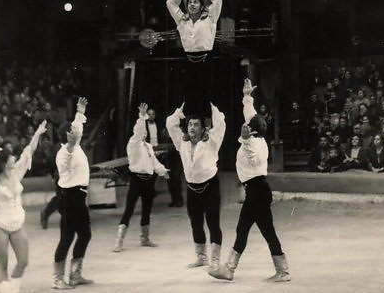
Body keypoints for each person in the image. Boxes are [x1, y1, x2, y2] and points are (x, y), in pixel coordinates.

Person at [211, 79, 290, 283]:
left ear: (251, 131)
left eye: (247, 126)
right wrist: (247, 97)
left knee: (244, 228)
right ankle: (282, 271)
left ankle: (230, 269)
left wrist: (245, 142)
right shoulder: (258, 136)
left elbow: (253, 158)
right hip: (257, 191)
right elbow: (250, 115)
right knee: (263, 230)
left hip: (257, 191)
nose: (244, 124)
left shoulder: (255, 145)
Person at [0, 120, 47, 293]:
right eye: (10, 157)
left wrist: (38, 134)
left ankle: (13, 290)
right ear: (3, 163)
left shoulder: (16, 172)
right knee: (3, 265)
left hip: (17, 224)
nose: (13, 157)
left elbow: (27, 153)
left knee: (23, 261)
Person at [166, 100, 226, 274]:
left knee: (213, 223)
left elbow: (220, 124)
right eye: (190, 124)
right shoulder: (181, 143)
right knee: (195, 223)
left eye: (196, 124)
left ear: (203, 128)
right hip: (192, 188)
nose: (192, 127)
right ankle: (201, 257)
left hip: (210, 186)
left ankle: (214, 261)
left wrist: (214, 108)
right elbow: (170, 124)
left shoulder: (212, 142)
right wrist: (179, 112)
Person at [113, 103, 169, 253]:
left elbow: (154, 162)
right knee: (129, 210)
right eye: (142, 130)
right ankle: (119, 241)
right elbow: (138, 131)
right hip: (136, 180)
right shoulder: (133, 144)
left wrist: (163, 170)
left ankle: (145, 238)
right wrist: (141, 116)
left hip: (149, 181)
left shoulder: (148, 146)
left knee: (147, 209)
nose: (144, 133)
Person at [52, 97, 93, 289]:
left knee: (85, 234)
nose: (78, 132)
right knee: (66, 238)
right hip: (69, 198)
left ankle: (75, 275)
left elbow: (77, 126)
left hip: (79, 197)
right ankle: (57, 279)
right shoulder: (63, 153)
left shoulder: (75, 146)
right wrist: (69, 146)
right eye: (74, 132)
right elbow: (66, 162)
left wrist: (81, 112)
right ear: (68, 135)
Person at [166, 0, 222, 119]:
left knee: (206, 94)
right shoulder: (181, 19)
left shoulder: (210, 18)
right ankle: (187, 127)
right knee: (188, 94)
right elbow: (170, 3)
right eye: (190, 2)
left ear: (201, 5)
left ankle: (207, 128)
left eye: (195, 2)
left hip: (206, 59)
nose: (192, 4)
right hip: (188, 59)